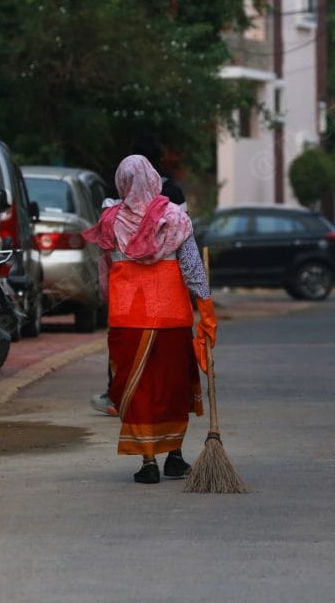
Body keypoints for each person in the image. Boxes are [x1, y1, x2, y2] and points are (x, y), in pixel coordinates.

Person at [82, 155, 216, 484]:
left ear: (122, 183)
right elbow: (193, 269)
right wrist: (207, 311)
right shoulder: (175, 219)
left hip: (128, 319)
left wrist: (108, 301)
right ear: (154, 179)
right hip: (171, 317)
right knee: (172, 388)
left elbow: (104, 273)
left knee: (137, 388)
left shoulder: (111, 221)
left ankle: (148, 462)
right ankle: (175, 457)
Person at [91, 135, 186, 415]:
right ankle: (164, 407)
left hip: (126, 304)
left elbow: (105, 259)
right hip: (168, 301)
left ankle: (119, 396)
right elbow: (185, 249)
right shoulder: (175, 200)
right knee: (166, 359)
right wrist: (199, 296)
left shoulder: (112, 207)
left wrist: (106, 293)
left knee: (125, 353)